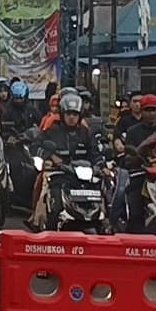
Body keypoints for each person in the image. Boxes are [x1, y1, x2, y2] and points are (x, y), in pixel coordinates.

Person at [37, 93, 102, 228]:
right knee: (52, 195)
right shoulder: (52, 131)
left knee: (105, 189)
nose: (72, 117)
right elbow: (37, 147)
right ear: (62, 114)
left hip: (84, 176)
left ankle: (106, 223)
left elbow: (95, 152)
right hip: (60, 174)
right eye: (69, 114)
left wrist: (100, 166)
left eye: (75, 114)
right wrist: (51, 157)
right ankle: (44, 223)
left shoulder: (85, 132)